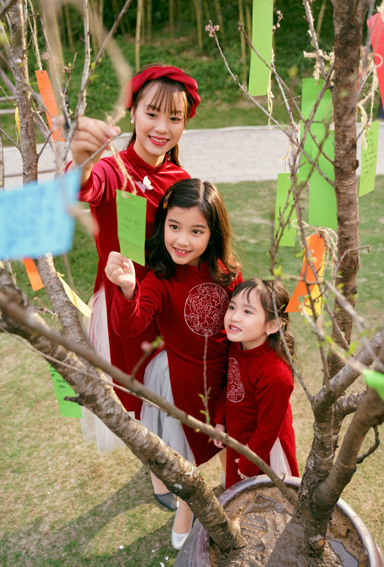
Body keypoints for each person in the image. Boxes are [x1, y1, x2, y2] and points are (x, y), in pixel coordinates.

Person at [69, 64, 200, 460]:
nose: (162, 127)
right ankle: (159, 464)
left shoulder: (180, 178)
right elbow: (86, 186)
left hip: (166, 301)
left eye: (173, 118)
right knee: (140, 390)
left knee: (171, 386)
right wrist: (81, 160)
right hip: (124, 304)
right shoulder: (112, 167)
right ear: (133, 114)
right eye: (152, 113)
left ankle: (172, 457)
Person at [105, 179, 242, 549]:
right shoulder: (159, 279)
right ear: (162, 224)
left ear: (213, 233)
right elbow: (128, 325)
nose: (182, 240)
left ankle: (235, 493)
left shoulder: (228, 274)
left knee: (232, 440)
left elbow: (241, 330)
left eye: (196, 231)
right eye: (174, 227)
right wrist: (128, 290)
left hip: (225, 377)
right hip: (180, 383)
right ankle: (186, 508)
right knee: (186, 455)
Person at [214, 278, 299, 489]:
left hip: (264, 450)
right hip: (239, 435)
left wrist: (251, 461)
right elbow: (232, 385)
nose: (234, 317)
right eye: (232, 307)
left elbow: (268, 429)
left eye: (247, 312)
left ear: (273, 325)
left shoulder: (275, 374)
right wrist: (220, 419)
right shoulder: (238, 345)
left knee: (264, 498)